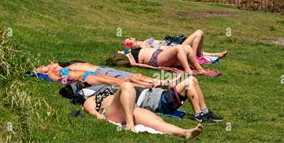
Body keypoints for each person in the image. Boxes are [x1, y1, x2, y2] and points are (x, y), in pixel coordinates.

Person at [62, 82, 203, 139]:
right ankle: (130, 124)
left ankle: (185, 133)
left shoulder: (107, 91)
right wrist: (99, 116)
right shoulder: (91, 99)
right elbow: (93, 112)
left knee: (157, 122)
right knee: (127, 86)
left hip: (130, 109)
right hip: (112, 112)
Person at [34, 62, 181, 88]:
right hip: (93, 75)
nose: (49, 64)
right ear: (45, 71)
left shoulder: (63, 67)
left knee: (133, 76)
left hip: (96, 71)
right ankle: (158, 85)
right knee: (128, 80)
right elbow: (60, 79)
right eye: (43, 67)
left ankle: (163, 83)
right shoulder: (56, 73)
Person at [120, 38, 209, 74]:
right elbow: (134, 64)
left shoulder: (142, 46)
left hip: (160, 54)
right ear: (128, 44)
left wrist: (141, 44)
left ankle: (200, 69)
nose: (132, 38)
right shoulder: (128, 53)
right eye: (130, 39)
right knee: (178, 48)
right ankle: (187, 70)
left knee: (187, 47)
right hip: (156, 59)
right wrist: (157, 69)